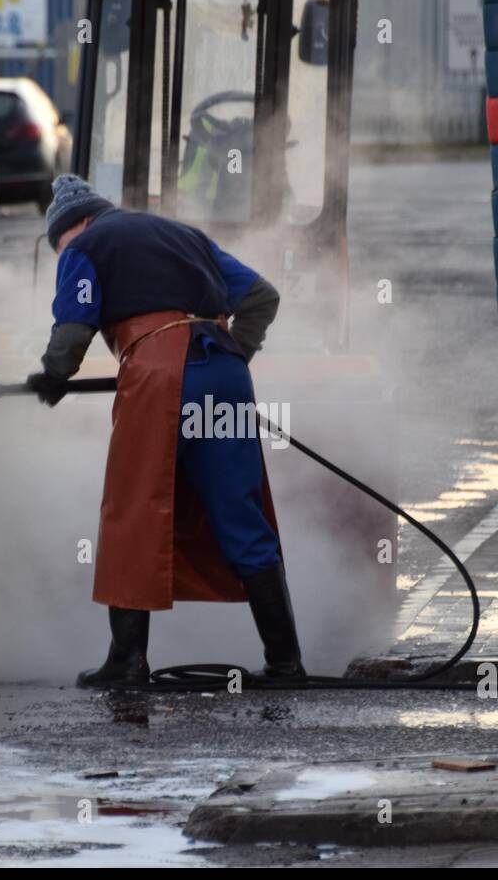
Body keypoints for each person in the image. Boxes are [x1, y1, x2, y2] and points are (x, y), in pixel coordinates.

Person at [27, 174, 305, 687]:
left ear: (77, 222)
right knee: (239, 510)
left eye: (59, 242)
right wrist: (230, 353)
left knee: (134, 507)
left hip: (161, 378)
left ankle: (127, 661)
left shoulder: (85, 244)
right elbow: (262, 297)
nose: (62, 253)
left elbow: (74, 324)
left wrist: (53, 375)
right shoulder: (185, 236)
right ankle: (286, 662)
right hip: (225, 374)